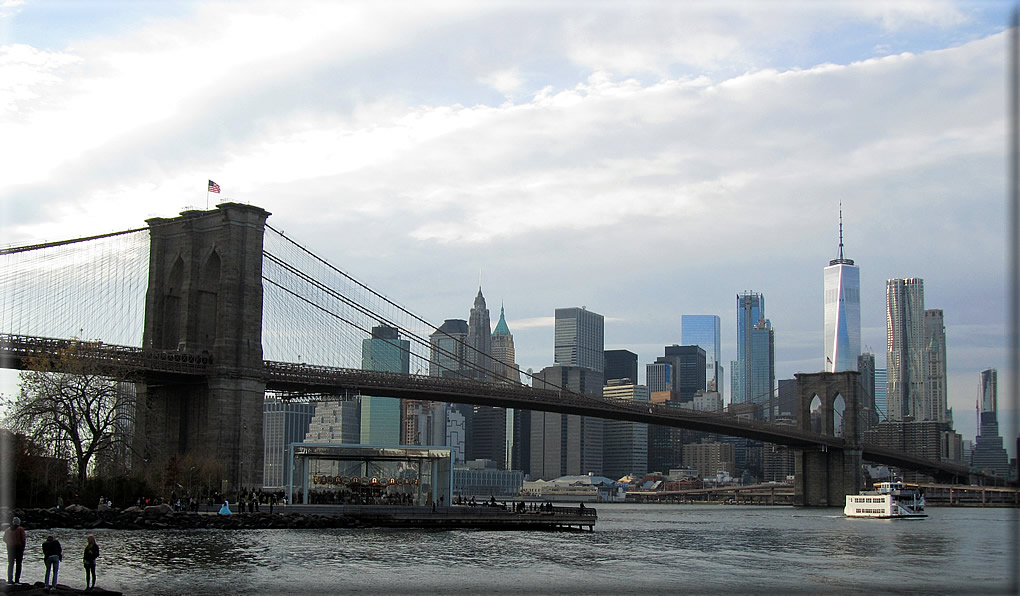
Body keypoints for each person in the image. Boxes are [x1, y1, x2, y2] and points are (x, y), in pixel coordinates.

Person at [4, 517, 26, 585]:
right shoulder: (20, 529)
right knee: (18, 564)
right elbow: (23, 539)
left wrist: (9, 543)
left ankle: (10, 580)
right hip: (18, 548)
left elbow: (4, 539)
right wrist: (23, 547)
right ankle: (17, 581)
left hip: (10, 549)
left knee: (10, 564)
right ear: (19, 522)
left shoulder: (8, 530)